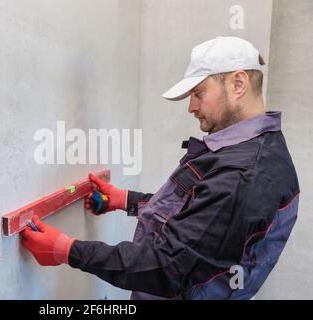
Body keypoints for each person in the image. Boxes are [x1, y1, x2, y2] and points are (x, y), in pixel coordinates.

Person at [21, 36, 300, 299]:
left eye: (198, 93)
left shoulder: (245, 175)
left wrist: (67, 251)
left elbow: (167, 266)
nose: (191, 107)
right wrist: (126, 200)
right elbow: (196, 216)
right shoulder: (253, 149)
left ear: (238, 84)